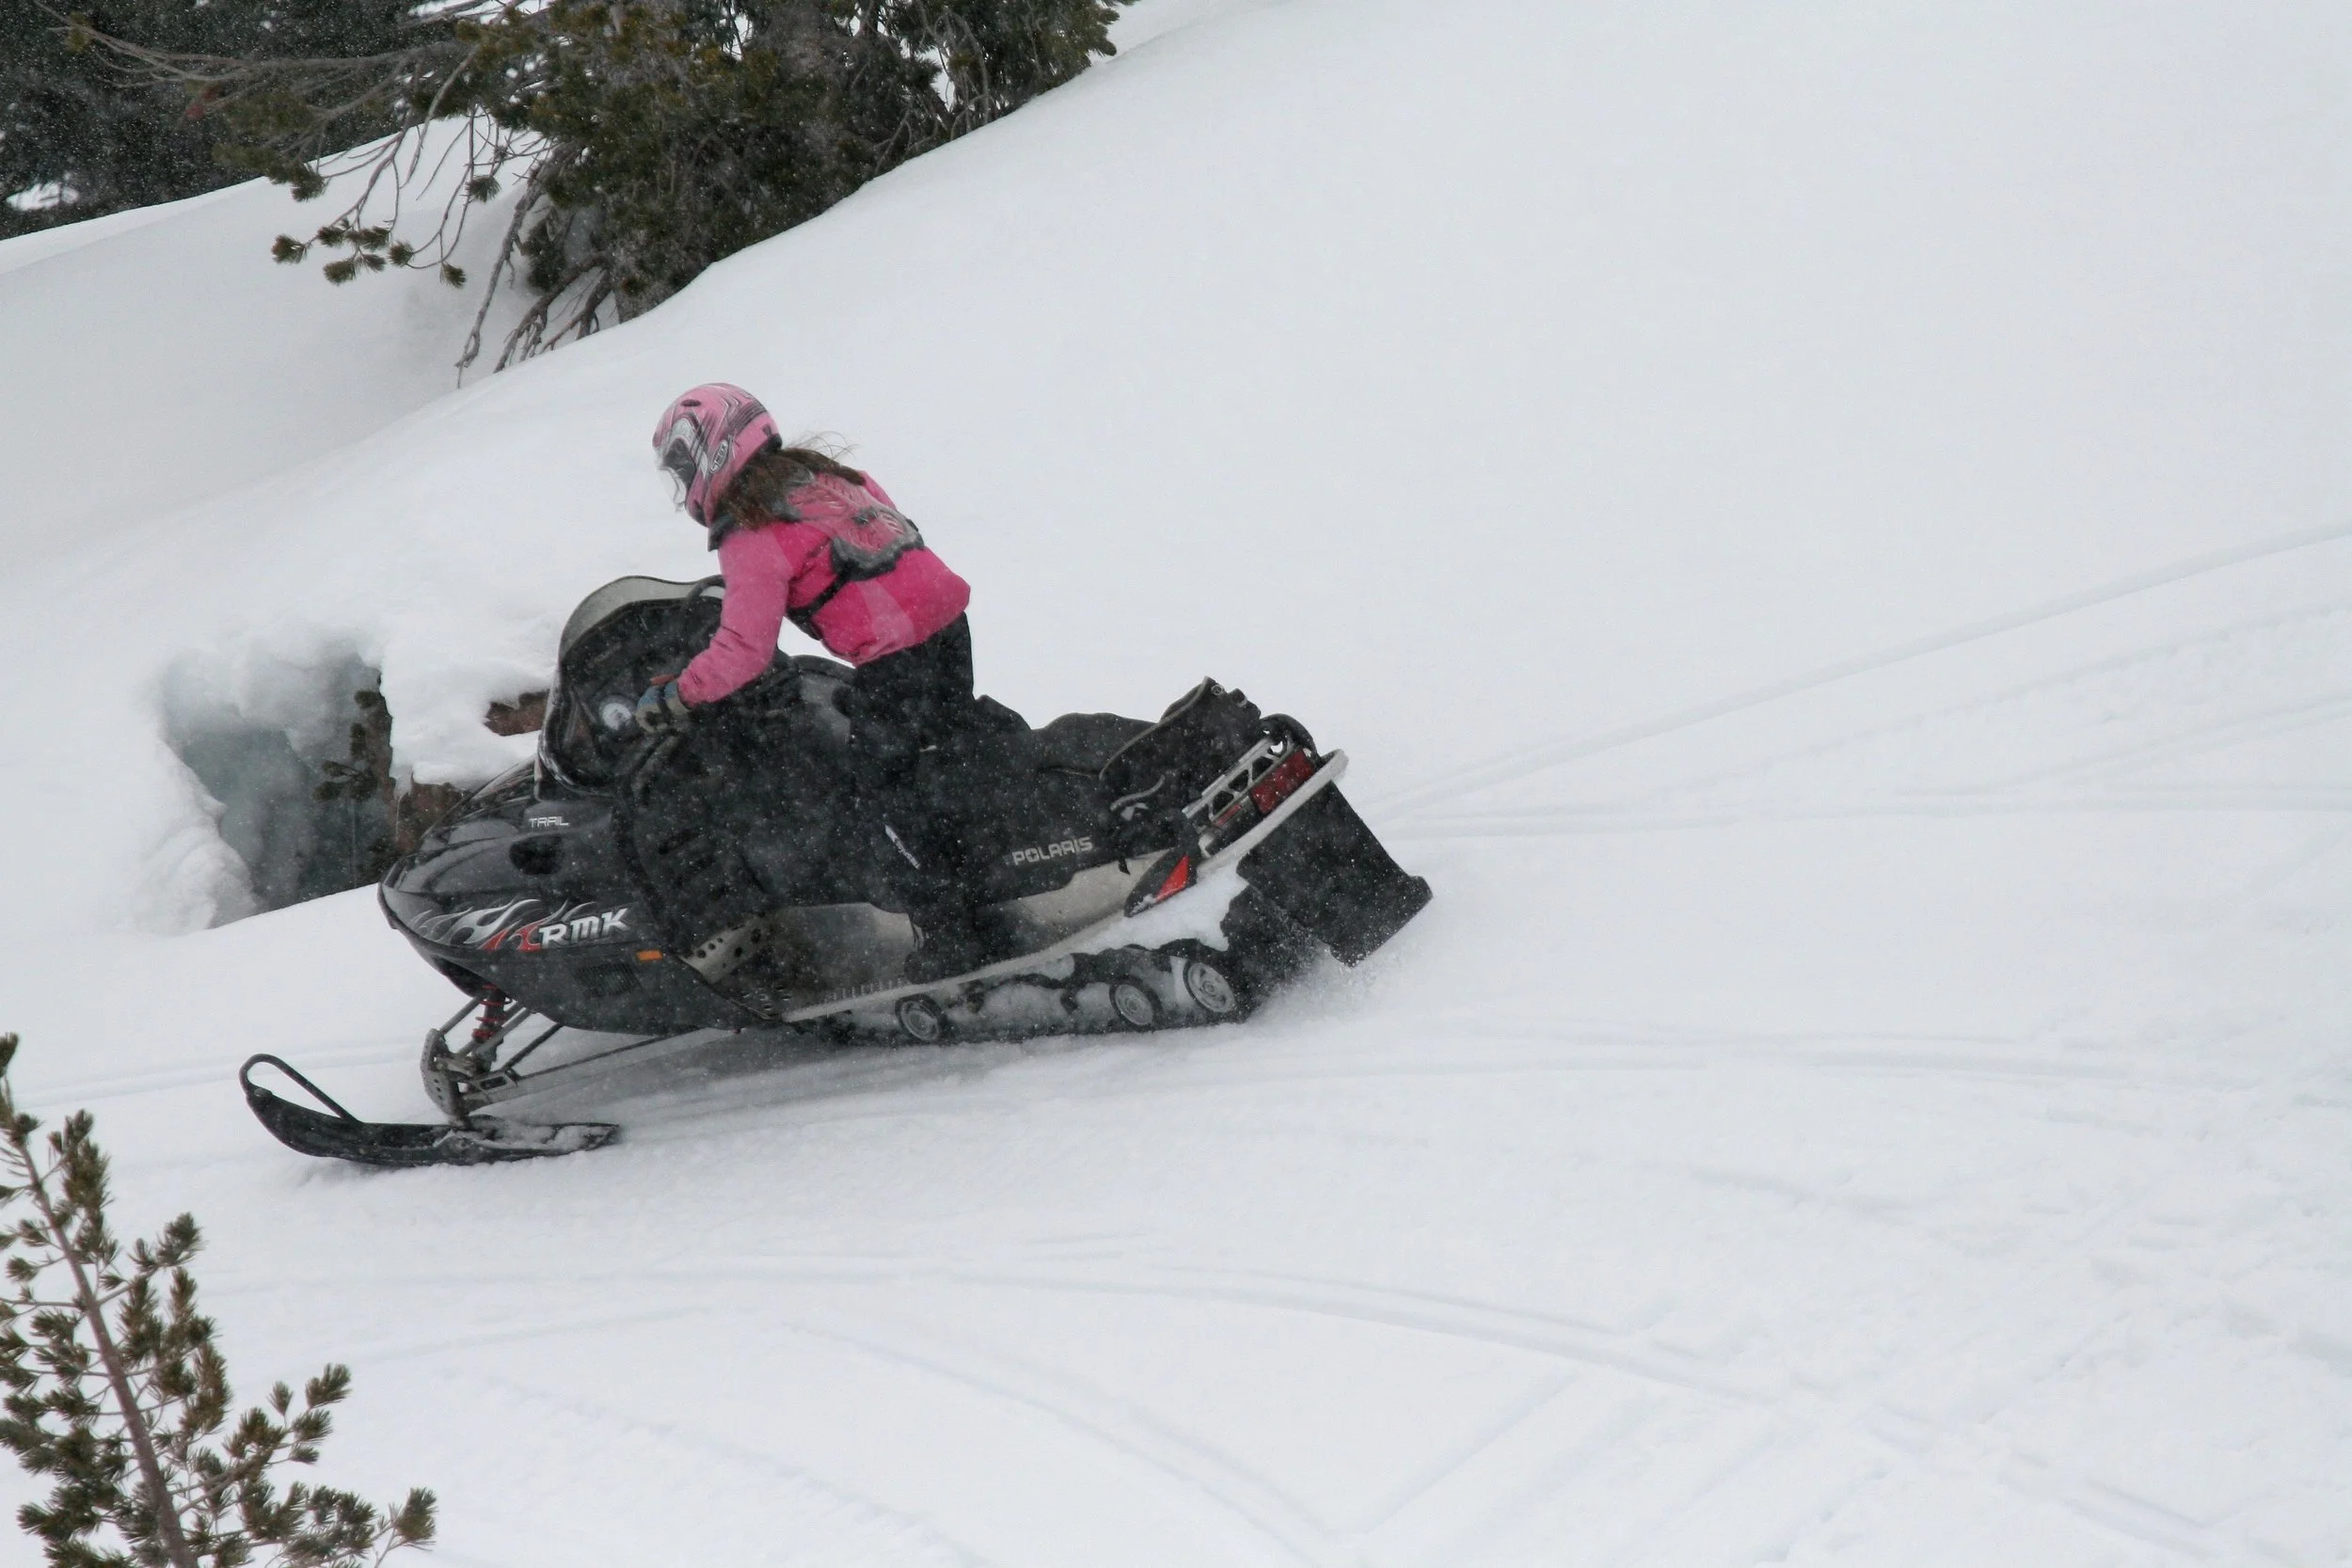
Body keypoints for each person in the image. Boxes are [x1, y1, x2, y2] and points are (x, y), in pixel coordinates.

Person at [641, 382, 997, 980]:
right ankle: (992, 869)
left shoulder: (751, 531)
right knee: (943, 752)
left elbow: (745, 649)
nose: (684, 484)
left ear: (714, 452)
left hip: (896, 654)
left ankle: (953, 932)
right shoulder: (834, 477)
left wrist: (680, 693)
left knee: (879, 795)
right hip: (947, 626)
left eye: (683, 467)